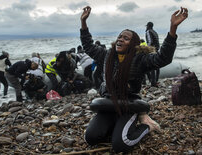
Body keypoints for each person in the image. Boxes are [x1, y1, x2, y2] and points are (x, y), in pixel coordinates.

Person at [80, 6, 188, 153]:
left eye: (126, 38)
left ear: (133, 44)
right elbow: (88, 45)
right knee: (90, 138)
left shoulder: (140, 59)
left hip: (128, 105)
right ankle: (114, 125)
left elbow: (164, 57)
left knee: (122, 144)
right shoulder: (106, 55)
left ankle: (146, 126)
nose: (120, 40)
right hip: (108, 102)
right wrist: (84, 22)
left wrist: (172, 28)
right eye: (119, 37)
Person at [145, 21, 161, 87]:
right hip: (157, 49)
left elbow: (150, 41)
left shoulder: (148, 31)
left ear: (148, 26)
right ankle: (156, 80)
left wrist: (147, 49)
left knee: (151, 65)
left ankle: (153, 82)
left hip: (152, 49)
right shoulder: (155, 32)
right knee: (156, 65)